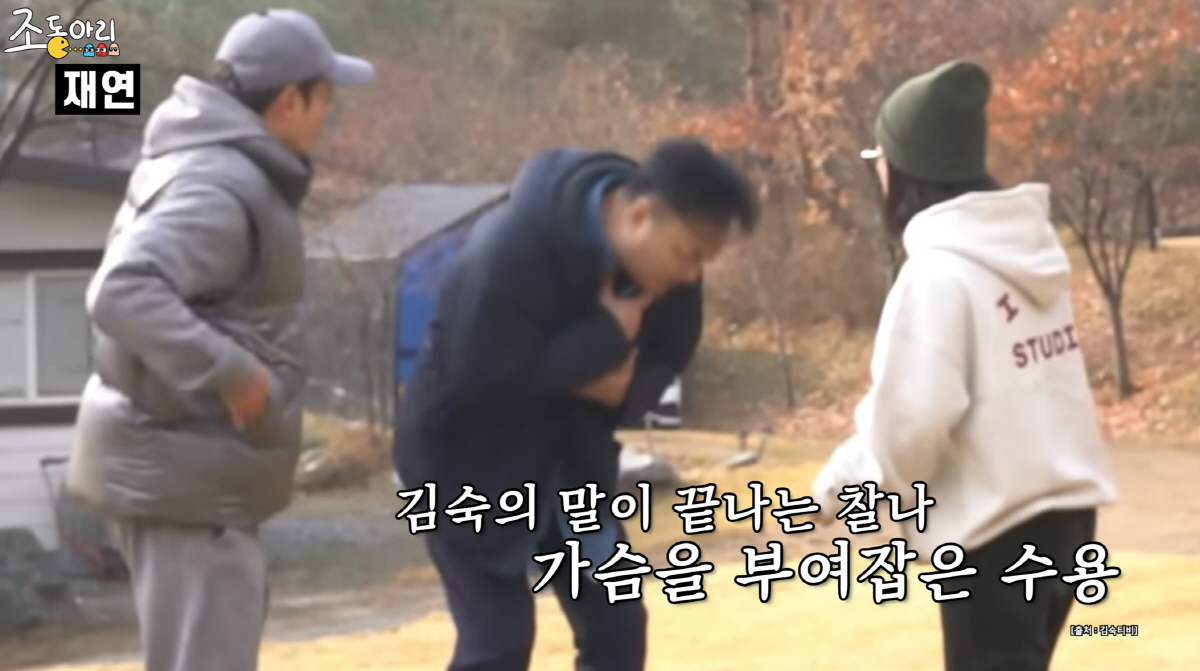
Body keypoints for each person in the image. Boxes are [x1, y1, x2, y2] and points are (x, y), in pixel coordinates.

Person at [65, 9, 373, 671]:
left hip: (190, 473)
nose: (329, 115)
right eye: (326, 97)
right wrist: (233, 373)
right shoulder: (218, 183)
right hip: (186, 478)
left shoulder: (214, 165)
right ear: (289, 100)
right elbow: (122, 290)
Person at [395, 137, 759, 671]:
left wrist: (623, 391)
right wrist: (603, 339)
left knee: (618, 623)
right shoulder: (508, 248)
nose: (690, 274)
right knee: (498, 641)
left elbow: (668, 354)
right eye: (687, 255)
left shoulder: (672, 273)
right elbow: (480, 377)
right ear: (639, 216)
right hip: (462, 464)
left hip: (571, 461)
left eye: (702, 261)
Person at [810, 59, 1118, 671]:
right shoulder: (1027, 254)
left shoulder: (937, 275)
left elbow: (912, 422)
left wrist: (847, 488)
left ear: (902, 169)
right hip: (1067, 523)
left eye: (879, 159)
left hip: (996, 534)